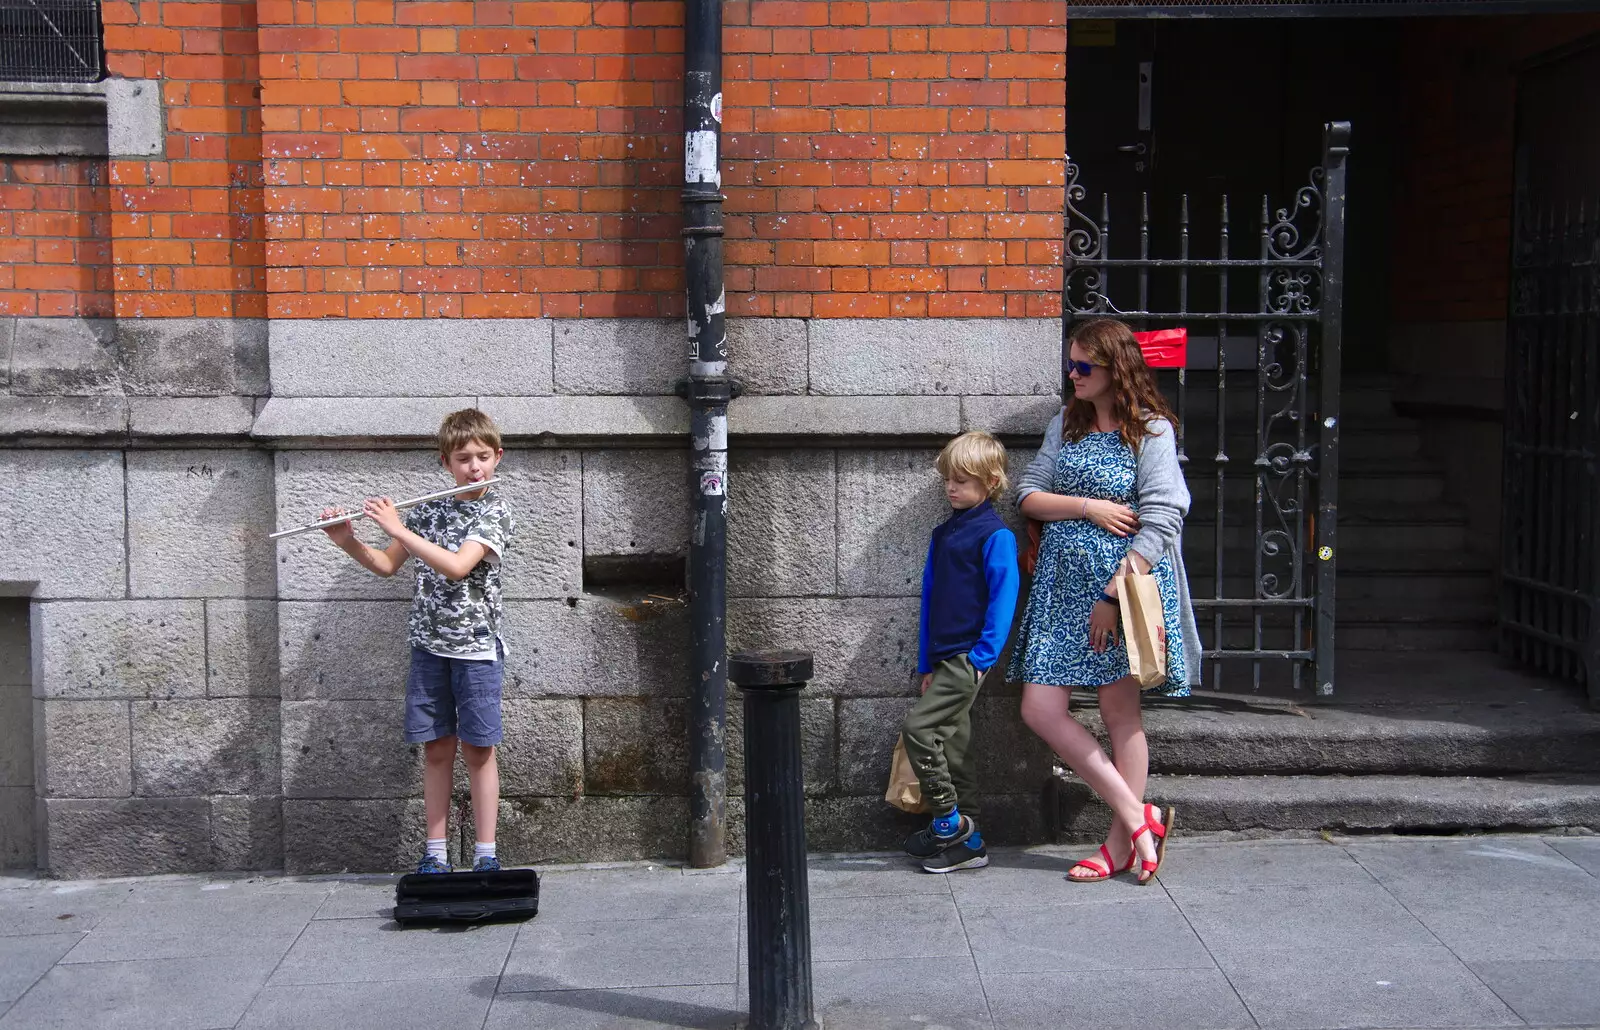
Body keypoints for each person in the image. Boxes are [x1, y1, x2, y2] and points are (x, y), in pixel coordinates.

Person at [1008, 318, 1200, 884]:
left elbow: (1163, 516)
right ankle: (1142, 818)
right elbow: (1029, 495)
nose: (1073, 374)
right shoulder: (1065, 425)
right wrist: (1087, 507)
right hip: (1058, 592)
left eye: (1084, 366)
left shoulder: (1151, 432)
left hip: (1121, 592)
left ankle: (1120, 843)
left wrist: (1112, 594)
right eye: (1071, 363)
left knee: (1120, 715)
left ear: (1118, 369)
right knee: (1039, 709)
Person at [320, 408, 516, 874]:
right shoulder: (427, 511)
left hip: (476, 651)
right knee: (436, 749)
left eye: (483, 457)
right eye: (463, 458)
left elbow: (457, 566)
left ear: (498, 458)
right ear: (444, 462)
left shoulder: (496, 511)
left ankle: (486, 855)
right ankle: (436, 854)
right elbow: (387, 565)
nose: (474, 467)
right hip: (429, 649)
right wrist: (346, 540)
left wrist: (397, 527)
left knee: (479, 750)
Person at [901, 431, 1021, 874]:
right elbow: (930, 598)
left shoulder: (996, 536)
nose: (952, 488)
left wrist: (981, 658)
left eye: (963, 481)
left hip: (970, 656)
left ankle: (948, 820)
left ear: (990, 483)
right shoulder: (943, 533)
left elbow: (1003, 600)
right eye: (948, 480)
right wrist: (926, 662)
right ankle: (971, 844)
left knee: (918, 728)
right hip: (944, 656)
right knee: (955, 747)